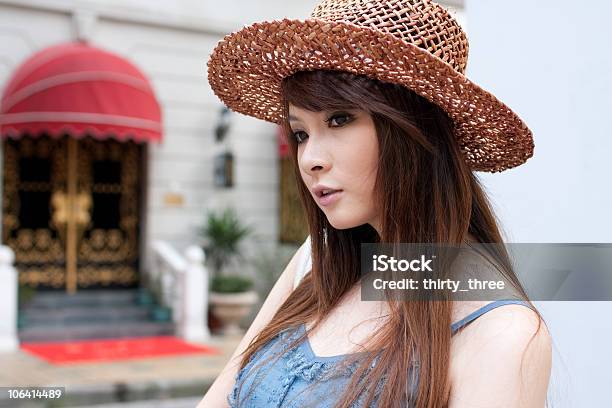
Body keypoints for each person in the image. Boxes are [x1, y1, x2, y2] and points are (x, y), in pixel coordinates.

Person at [200, 0, 552, 406]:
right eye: (300, 134)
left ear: (414, 131)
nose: (311, 159)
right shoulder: (315, 261)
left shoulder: (502, 333)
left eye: (338, 120)